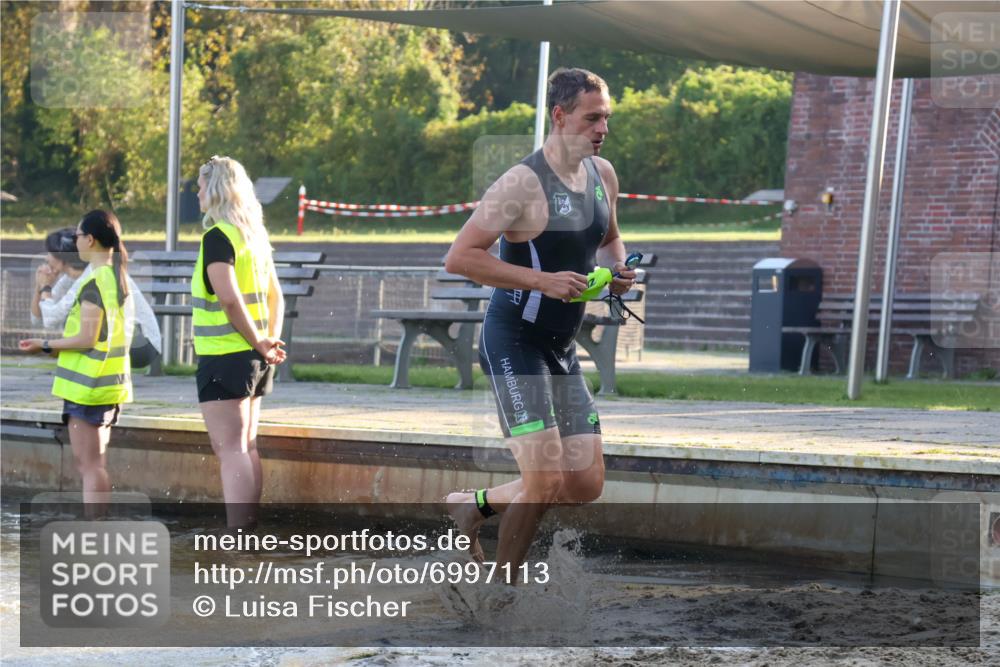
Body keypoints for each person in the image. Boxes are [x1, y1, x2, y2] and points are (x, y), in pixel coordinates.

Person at [444, 68, 637, 577]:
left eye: (606, 118)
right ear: (560, 116)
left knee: (584, 484)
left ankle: (471, 507)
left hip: (560, 347)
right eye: (592, 118)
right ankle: (502, 591)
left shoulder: (603, 174)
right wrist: (541, 281)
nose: (603, 129)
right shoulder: (522, 183)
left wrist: (619, 271)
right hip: (515, 341)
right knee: (544, 480)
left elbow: (609, 238)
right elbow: (460, 257)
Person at [193, 155, 286, 529]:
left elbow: (229, 299)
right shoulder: (253, 236)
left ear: (215, 190)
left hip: (225, 355)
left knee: (230, 449)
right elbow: (276, 296)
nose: (197, 193)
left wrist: (261, 342)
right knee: (246, 446)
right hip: (255, 356)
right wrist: (268, 341)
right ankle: (248, 530)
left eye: (201, 187)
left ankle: (237, 535)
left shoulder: (217, 237)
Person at [19, 210, 134, 509]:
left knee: (90, 467)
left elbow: (87, 338)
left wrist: (44, 345)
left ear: (91, 240)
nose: (75, 241)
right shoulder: (112, 275)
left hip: (88, 388)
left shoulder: (95, 281)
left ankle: (94, 528)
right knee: (95, 464)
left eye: (78, 236)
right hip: (103, 384)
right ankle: (97, 526)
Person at [32, 227, 163, 369]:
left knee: (77, 322)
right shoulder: (71, 278)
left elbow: (51, 319)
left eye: (50, 253)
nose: (46, 258)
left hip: (142, 344)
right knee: (75, 320)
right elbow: (38, 319)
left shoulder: (90, 275)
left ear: (61, 258)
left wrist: (45, 288)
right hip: (128, 339)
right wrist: (39, 286)